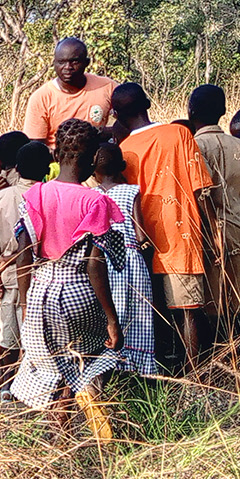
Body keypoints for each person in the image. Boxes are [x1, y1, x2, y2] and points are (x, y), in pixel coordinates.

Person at [3, 120, 127, 440]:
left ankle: (61, 440)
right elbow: (95, 265)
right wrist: (111, 319)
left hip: (42, 293)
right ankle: (103, 439)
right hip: (78, 295)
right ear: (90, 161)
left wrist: (28, 300)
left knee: (54, 371)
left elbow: (24, 254)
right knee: (84, 368)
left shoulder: (36, 194)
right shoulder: (95, 201)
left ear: (56, 154)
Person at [111, 82, 217, 371]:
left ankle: (158, 367)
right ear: (147, 102)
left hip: (139, 238)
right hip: (180, 235)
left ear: (116, 115)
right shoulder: (179, 133)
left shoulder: (123, 149)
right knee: (187, 311)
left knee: (152, 309)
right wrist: (212, 233)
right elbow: (199, 189)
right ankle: (194, 373)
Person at [190, 86, 240, 329]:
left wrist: (212, 231)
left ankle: (221, 354)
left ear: (190, 111)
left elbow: (202, 193)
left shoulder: (194, 146)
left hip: (212, 232)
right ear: (222, 111)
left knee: (215, 298)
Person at [0, 141, 51, 388]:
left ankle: (5, 379)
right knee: (36, 329)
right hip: (38, 272)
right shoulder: (47, 194)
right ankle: (32, 380)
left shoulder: (3, 195)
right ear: (47, 167)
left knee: (7, 327)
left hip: (7, 272)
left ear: (18, 170)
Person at [89, 144, 157, 377]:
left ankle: (108, 367)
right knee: (138, 317)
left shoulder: (91, 196)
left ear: (93, 171)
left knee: (108, 314)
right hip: (130, 261)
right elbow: (141, 235)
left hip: (100, 263)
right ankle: (138, 370)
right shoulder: (131, 191)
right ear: (122, 168)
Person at [24, 37, 119, 146]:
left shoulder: (107, 86)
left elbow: (132, 120)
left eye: (74, 62)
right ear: (54, 63)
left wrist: (101, 133)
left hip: (97, 156)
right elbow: (35, 147)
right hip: (57, 160)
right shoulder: (41, 98)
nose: (67, 67)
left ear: (86, 63)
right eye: (61, 62)